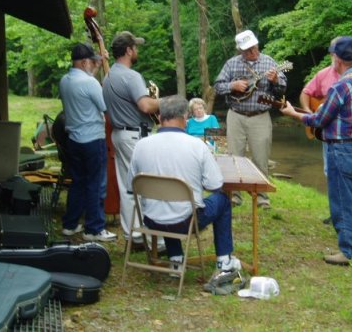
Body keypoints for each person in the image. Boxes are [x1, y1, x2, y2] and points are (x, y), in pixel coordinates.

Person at [280, 36, 352, 265]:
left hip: (341, 150)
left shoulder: (341, 86)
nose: (331, 58)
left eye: (332, 54)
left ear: (337, 59)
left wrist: (293, 114)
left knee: (343, 202)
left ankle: (351, 252)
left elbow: (320, 120)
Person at [126, 95, 241, 275]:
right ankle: (224, 261)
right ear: (185, 118)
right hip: (186, 222)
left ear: (160, 116)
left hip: (151, 220)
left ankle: (175, 259)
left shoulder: (140, 145)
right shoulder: (197, 145)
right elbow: (215, 184)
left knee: (166, 202)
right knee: (223, 200)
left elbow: (130, 187)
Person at [214, 29, 287, 209]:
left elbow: (281, 90)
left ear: (257, 45)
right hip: (236, 115)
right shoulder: (231, 64)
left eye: (253, 48)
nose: (251, 53)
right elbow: (217, 86)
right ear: (240, 50)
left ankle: (262, 196)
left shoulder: (270, 62)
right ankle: (234, 195)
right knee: (234, 156)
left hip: (260, 116)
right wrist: (233, 85)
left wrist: (276, 80)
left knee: (261, 156)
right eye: (246, 50)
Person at [102, 31, 161, 244]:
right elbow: (145, 105)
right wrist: (164, 102)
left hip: (118, 134)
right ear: (128, 50)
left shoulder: (108, 76)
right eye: (135, 47)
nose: (137, 51)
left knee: (127, 187)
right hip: (135, 136)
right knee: (147, 185)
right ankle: (155, 239)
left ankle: (132, 235)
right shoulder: (131, 76)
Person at [59, 43, 116, 242]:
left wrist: (99, 62)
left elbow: (86, 83)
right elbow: (104, 106)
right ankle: (94, 229)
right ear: (84, 62)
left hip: (73, 140)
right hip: (92, 140)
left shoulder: (65, 80)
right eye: (91, 62)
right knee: (96, 185)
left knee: (78, 183)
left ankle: (70, 224)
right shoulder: (90, 83)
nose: (94, 64)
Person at [299, 37, 341, 225]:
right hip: (326, 133)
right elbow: (305, 92)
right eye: (331, 51)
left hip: (347, 135)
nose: (333, 55)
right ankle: (336, 213)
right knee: (329, 171)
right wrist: (309, 112)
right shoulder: (323, 74)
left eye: (336, 52)